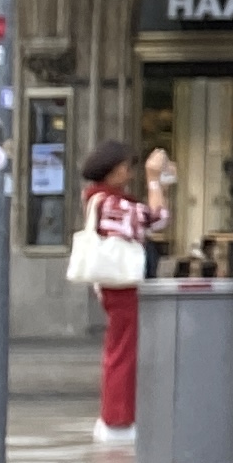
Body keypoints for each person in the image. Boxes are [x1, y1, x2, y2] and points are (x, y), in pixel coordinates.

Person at [80, 141, 168, 447]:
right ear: (115, 169)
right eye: (126, 167)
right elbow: (156, 218)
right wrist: (154, 179)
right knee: (123, 352)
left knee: (120, 348)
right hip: (121, 284)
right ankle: (117, 420)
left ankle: (116, 417)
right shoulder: (112, 203)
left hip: (113, 285)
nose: (129, 173)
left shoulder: (98, 198)